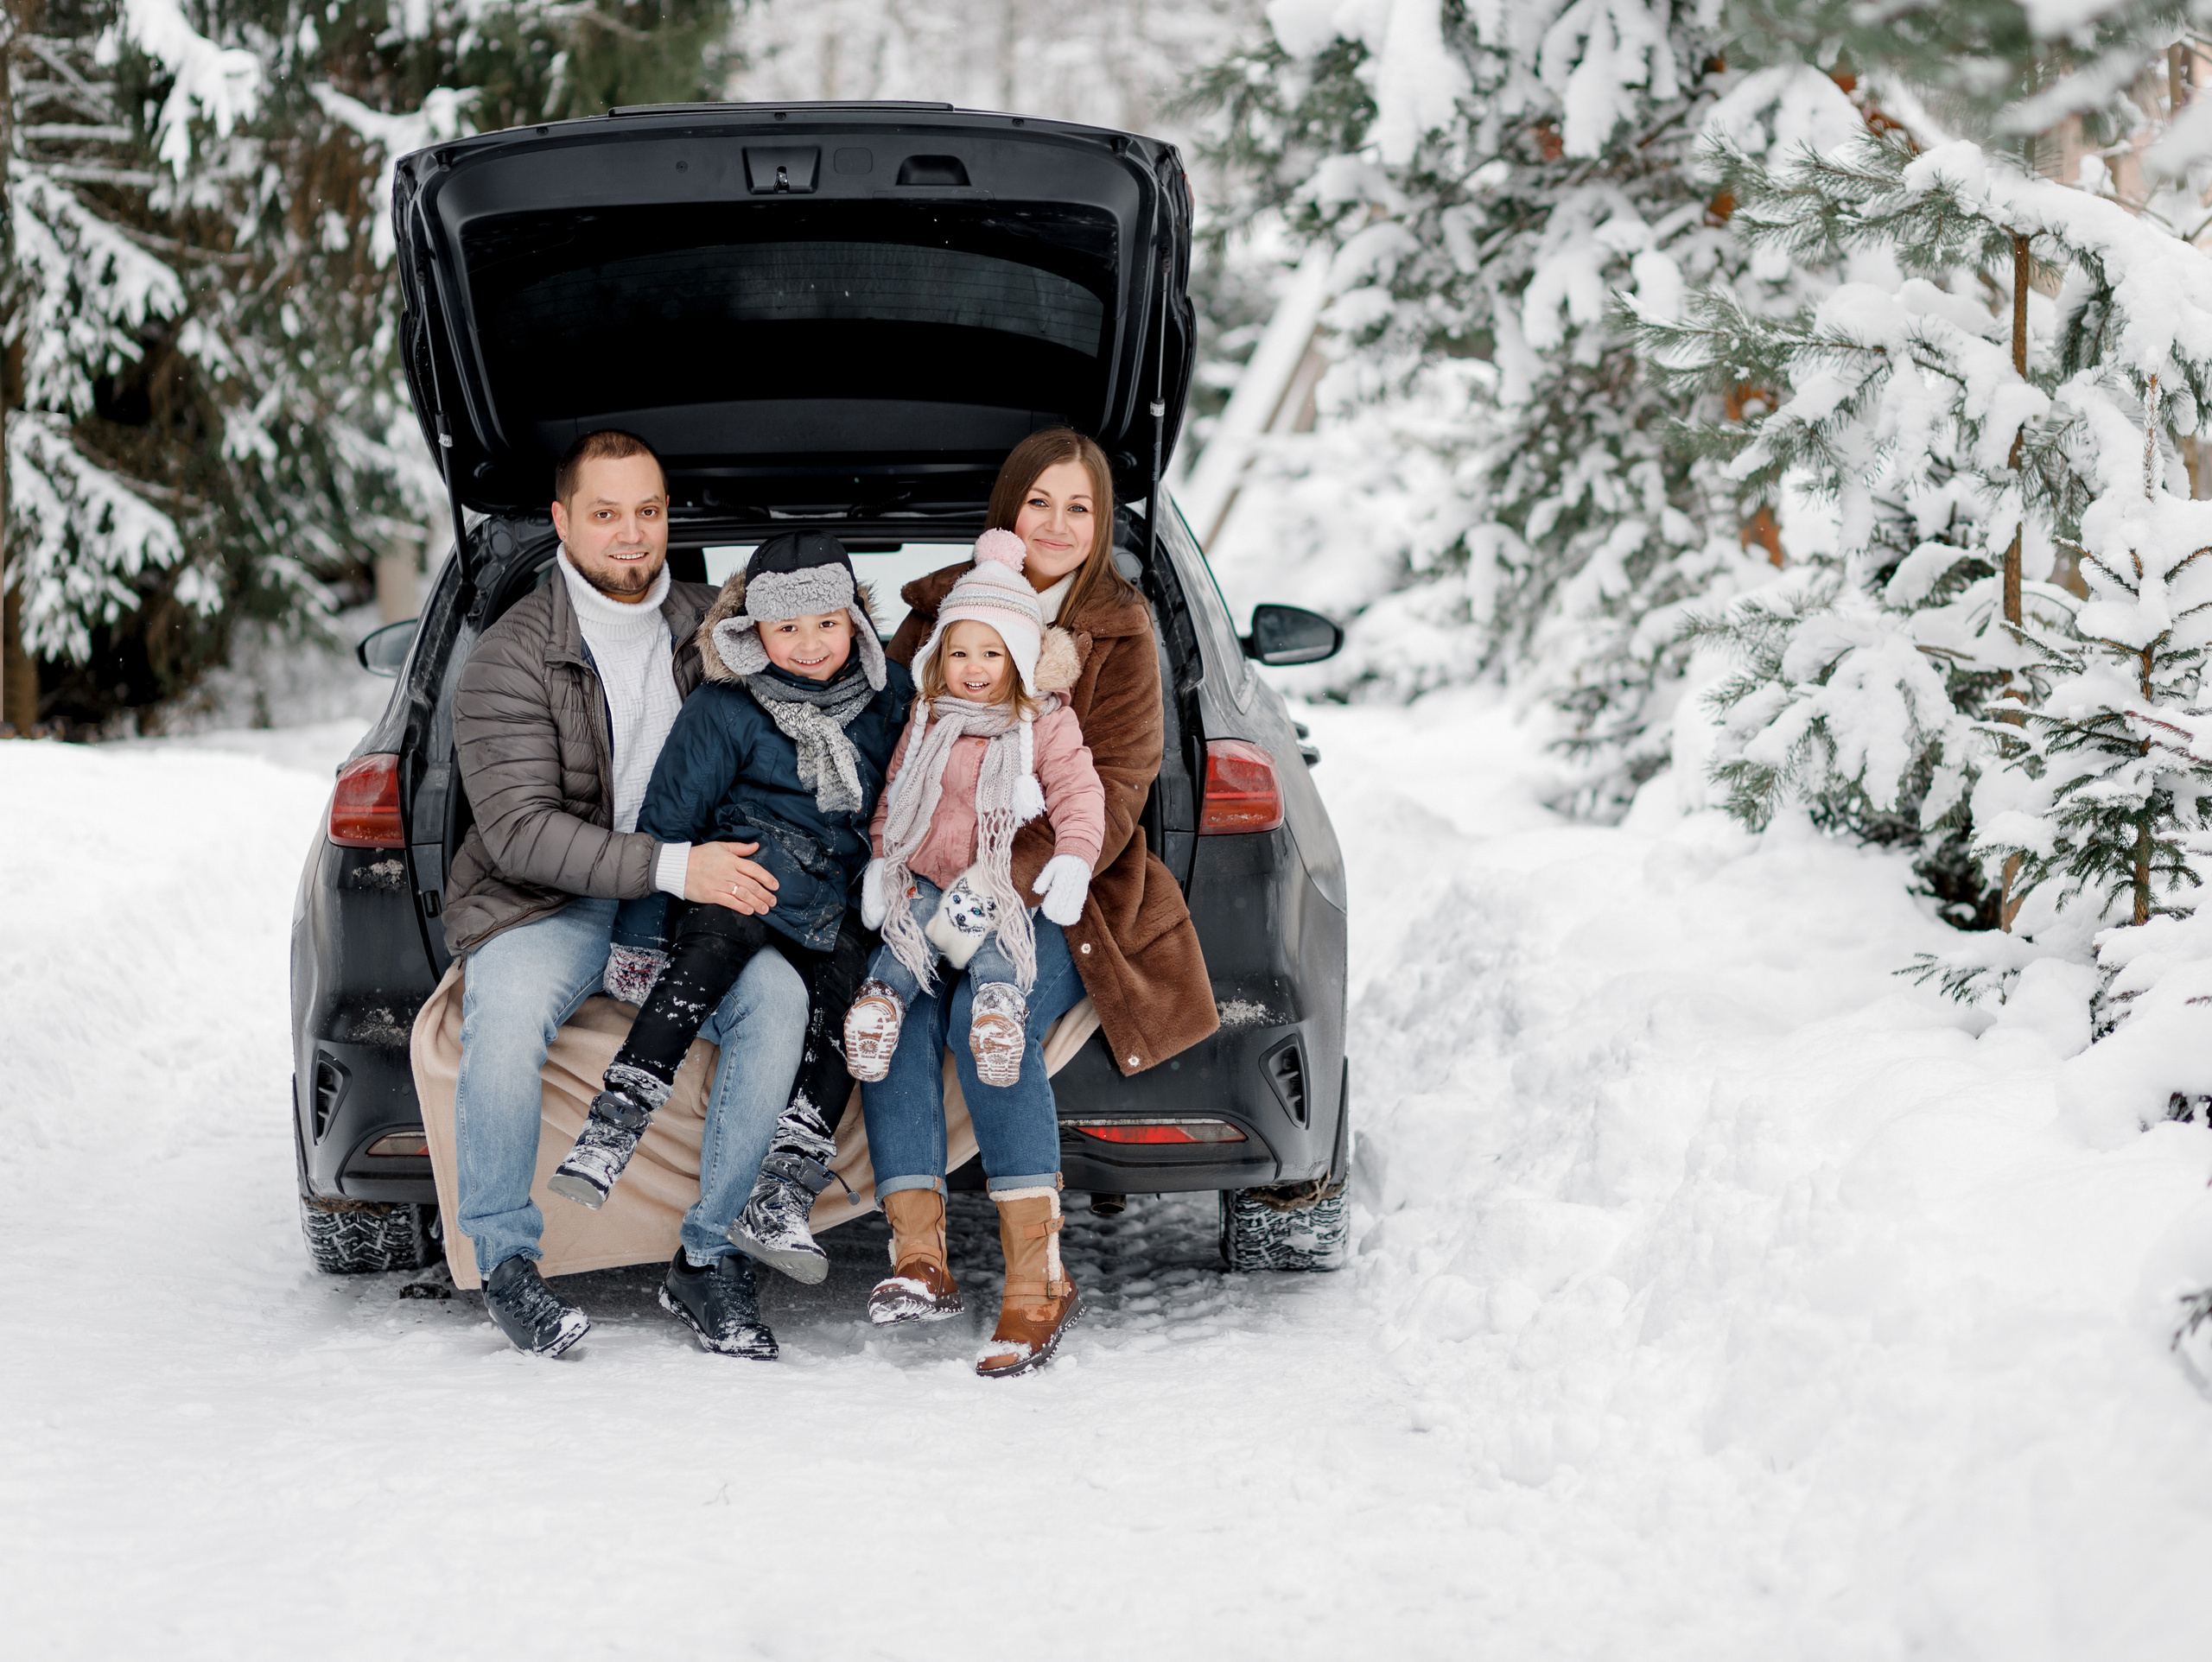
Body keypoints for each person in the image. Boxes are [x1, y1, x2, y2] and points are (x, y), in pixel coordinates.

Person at [440, 429, 809, 1360]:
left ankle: (708, 1255)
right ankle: (506, 1260)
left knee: (780, 1000)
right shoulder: (509, 655)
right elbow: (522, 831)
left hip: (686, 904)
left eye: (648, 512)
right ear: (563, 520)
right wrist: (677, 866)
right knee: (506, 1014)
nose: (632, 535)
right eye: (606, 515)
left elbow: (816, 701)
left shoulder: (715, 633)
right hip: (543, 901)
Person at [859, 429, 1220, 1379]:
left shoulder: (1121, 626)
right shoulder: (940, 612)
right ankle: (919, 1261)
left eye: (1080, 508)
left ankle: (1036, 1283)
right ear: (1005, 515)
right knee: (893, 1019)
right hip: (923, 875)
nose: (1057, 525)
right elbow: (889, 753)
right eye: (1038, 503)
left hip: (1061, 890)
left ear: (1101, 526)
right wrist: (904, 877)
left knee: (993, 1015)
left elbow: (1120, 786)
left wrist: (990, 887)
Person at [547, 534, 910, 1338]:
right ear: (753, 635)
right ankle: (617, 1119)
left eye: (827, 623)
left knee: (853, 1015)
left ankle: (781, 1189)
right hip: (745, 881)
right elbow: (669, 820)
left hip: (841, 905)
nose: (809, 645)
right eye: (787, 630)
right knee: (717, 933)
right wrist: (640, 945)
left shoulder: (892, 700)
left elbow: (920, 791)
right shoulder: (725, 708)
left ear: (856, 621)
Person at [846, 528, 1105, 1094]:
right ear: (940, 656)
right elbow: (897, 790)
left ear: (1019, 659)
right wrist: (881, 859)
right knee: (905, 933)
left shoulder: (1042, 724)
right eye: (959, 653)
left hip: (993, 878)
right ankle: (878, 1010)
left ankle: (997, 1016)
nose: (974, 667)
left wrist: (1075, 856)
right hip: (923, 871)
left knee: (997, 944)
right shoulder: (930, 718)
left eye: (992, 653)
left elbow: (1077, 789)